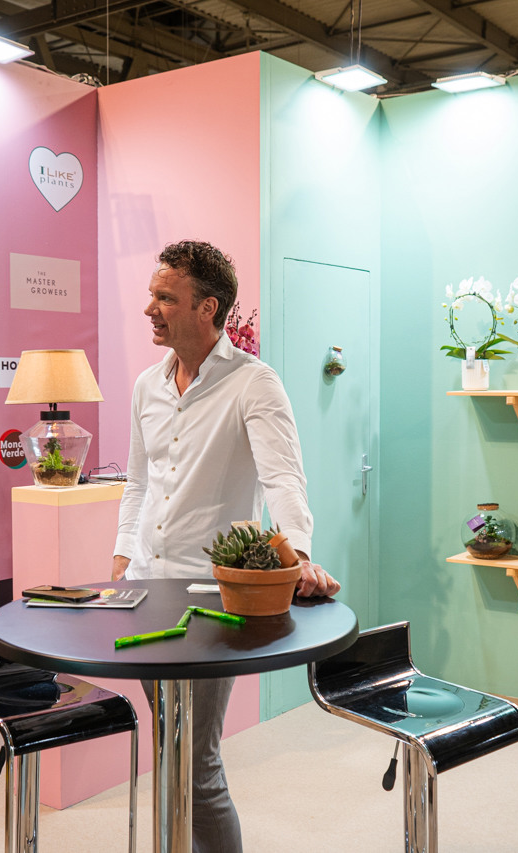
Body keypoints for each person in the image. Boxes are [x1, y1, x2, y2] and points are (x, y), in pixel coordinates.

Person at [112, 240, 340, 852]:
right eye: (152, 295)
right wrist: (122, 560)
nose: (150, 309)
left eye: (165, 298)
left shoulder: (253, 384)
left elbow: (283, 480)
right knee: (172, 753)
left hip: (212, 598)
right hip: (145, 590)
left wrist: (296, 558)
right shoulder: (147, 386)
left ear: (207, 307)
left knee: (196, 762)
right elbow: (138, 483)